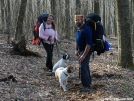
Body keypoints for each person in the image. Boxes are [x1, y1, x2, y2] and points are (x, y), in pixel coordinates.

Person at [74, 15, 93, 92]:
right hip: (80, 50)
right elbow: (77, 40)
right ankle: (88, 82)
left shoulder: (87, 29)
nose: (77, 21)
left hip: (87, 50)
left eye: (78, 20)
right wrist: (76, 50)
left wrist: (84, 55)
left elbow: (89, 44)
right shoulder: (78, 30)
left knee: (83, 67)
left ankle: (86, 86)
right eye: (76, 20)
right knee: (85, 66)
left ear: (82, 20)